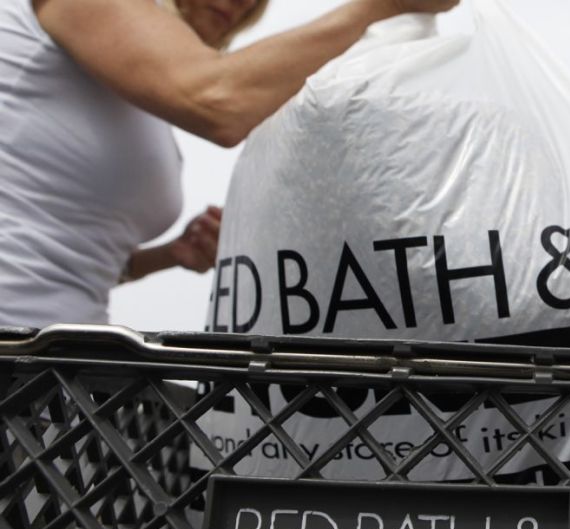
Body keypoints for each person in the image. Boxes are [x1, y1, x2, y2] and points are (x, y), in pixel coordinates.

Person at [0, 0, 459, 328]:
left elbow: (65, 251)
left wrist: (167, 257)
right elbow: (219, 100)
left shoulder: (141, 112)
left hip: (55, 365)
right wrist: (378, 7)